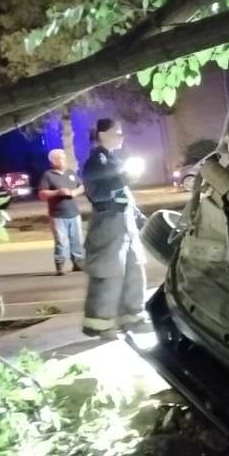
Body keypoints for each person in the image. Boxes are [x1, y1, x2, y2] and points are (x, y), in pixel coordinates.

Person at [81, 117, 149, 338]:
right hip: (108, 223)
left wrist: (137, 214)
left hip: (124, 222)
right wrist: (123, 179)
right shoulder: (96, 161)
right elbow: (99, 193)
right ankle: (100, 324)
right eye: (117, 133)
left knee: (134, 269)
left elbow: (123, 192)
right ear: (102, 135)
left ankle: (134, 317)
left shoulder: (112, 160)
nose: (122, 137)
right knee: (108, 273)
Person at [36, 149, 85, 275]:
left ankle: (78, 263)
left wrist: (74, 192)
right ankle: (60, 264)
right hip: (57, 215)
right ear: (53, 161)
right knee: (61, 241)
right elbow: (42, 194)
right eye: (60, 158)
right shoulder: (48, 175)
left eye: (64, 157)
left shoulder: (70, 173)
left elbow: (82, 186)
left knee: (76, 239)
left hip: (74, 212)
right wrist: (58, 192)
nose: (64, 160)